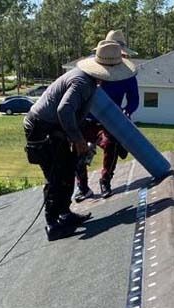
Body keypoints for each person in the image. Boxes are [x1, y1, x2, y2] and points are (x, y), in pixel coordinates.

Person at [23, 40, 136, 240]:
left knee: (68, 168)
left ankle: (65, 214)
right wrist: (78, 139)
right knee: (56, 175)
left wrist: (81, 138)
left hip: (55, 126)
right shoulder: (83, 82)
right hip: (41, 128)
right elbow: (64, 110)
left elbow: (73, 113)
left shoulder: (91, 82)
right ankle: (52, 224)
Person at [74, 30, 140, 201]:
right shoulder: (90, 72)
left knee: (111, 144)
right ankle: (82, 187)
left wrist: (127, 111)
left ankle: (105, 180)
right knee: (77, 149)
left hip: (110, 121)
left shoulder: (128, 76)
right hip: (86, 119)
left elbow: (134, 100)